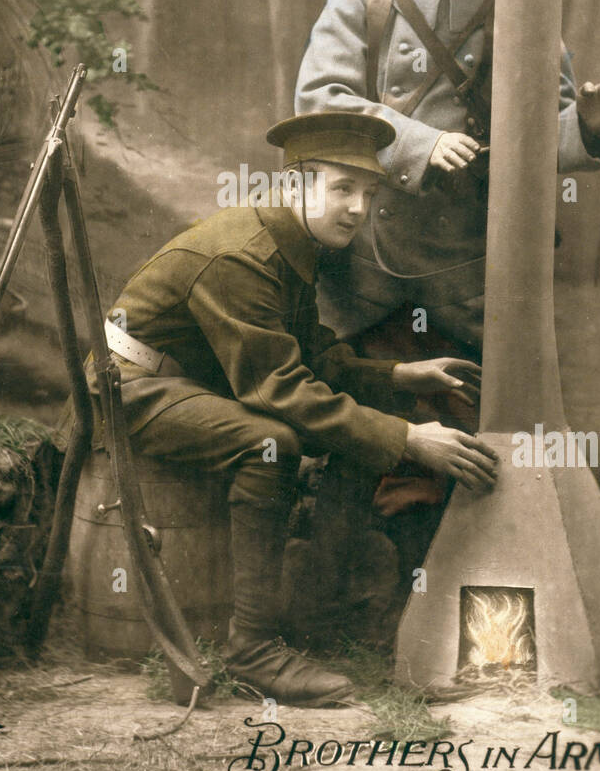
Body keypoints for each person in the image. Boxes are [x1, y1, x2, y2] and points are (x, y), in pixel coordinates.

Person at [88, 112, 498, 705]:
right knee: (270, 443)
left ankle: (321, 615)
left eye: (368, 193)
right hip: (133, 389)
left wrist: (401, 374)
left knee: (350, 433)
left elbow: (312, 361)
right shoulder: (244, 256)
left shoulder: (291, 244)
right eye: (341, 188)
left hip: (196, 382)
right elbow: (280, 390)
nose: (358, 208)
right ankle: (251, 649)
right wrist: (408, 437)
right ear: (295, 185)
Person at [295, 0, 600, 353]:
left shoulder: (521, 7)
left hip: (466, 267)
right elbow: (319, 101)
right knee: (357, 401)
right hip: (365, 254)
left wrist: (585, 126)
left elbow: (539, 141)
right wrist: (422, 144)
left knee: (460, 411)